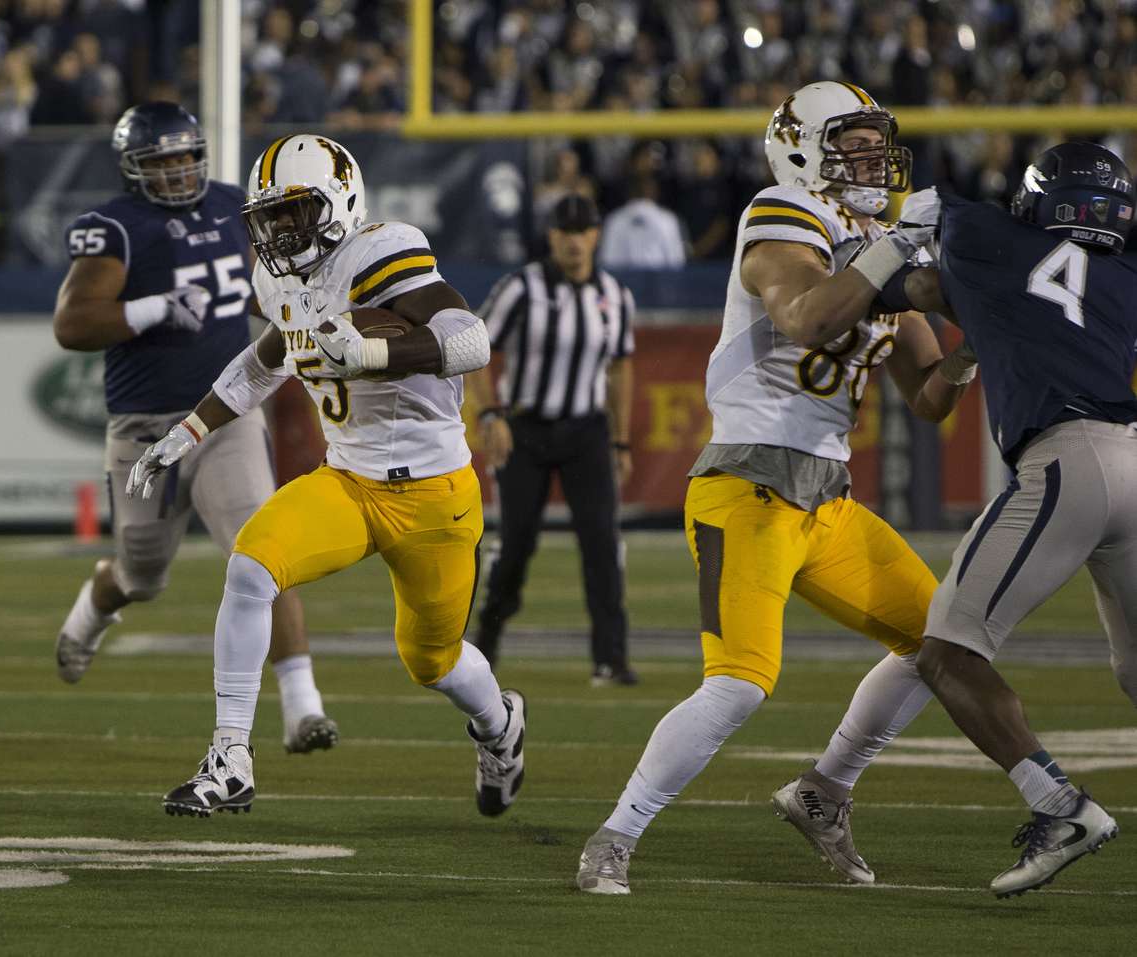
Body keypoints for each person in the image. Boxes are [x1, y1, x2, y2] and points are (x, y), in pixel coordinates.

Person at [576, 80, 979, 894]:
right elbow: (807, 317)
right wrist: (898, 252)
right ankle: (614, 835)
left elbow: (931, 397)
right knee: (737, 684)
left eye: (876, 145)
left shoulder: (880, 239)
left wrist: (981, 340)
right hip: (748, 484)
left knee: (944, 642)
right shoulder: (783, 212)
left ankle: (824, 790)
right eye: (852, 147)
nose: (872, 161)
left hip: (827, 498)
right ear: (802, 153)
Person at [126, 133, 526, 819]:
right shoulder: (278, 279)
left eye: (295, 210)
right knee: (251, 566)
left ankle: (500, 726)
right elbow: (266, 361)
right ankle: (230, 757)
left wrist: (373, 352)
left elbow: (471, 340)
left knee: (431, 660)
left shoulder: (379, 253)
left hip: (434, 493)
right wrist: (189, 431)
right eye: (269, 216)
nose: (281, 229)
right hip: (347, 481)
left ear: (339, 201)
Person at [52, 102, 338, 758]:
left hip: (225, 414)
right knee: (143, 573)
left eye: (187, 156)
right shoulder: (114, 228)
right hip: (145, 426)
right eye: (164, 160)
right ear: (134, 168)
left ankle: (304, 704)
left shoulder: (235, 206)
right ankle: (96, 605)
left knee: (263, 547)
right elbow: (72, 324)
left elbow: (272, 285)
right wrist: (154, 308)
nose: (180, 170)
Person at [904, 142, 1136, 897]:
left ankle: (1060, 807)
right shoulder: (1125, 272)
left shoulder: (987, 235)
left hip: (1068, 459)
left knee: (948, 653)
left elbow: (916, 247)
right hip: (1132, 456)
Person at [466, 194, 636, 685]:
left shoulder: (614, 294)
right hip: (525, 430)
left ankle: (611, 658)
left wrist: (621, 441)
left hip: (587, 430)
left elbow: (621, 368)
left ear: (596, 235)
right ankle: (486, 642)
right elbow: (474, 348)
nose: (574, 241)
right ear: (551, 236)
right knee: (516, 544)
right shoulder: (522, 288)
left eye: (583, 231)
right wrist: (491, 415)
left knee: (602, 543)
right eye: (565, 232)